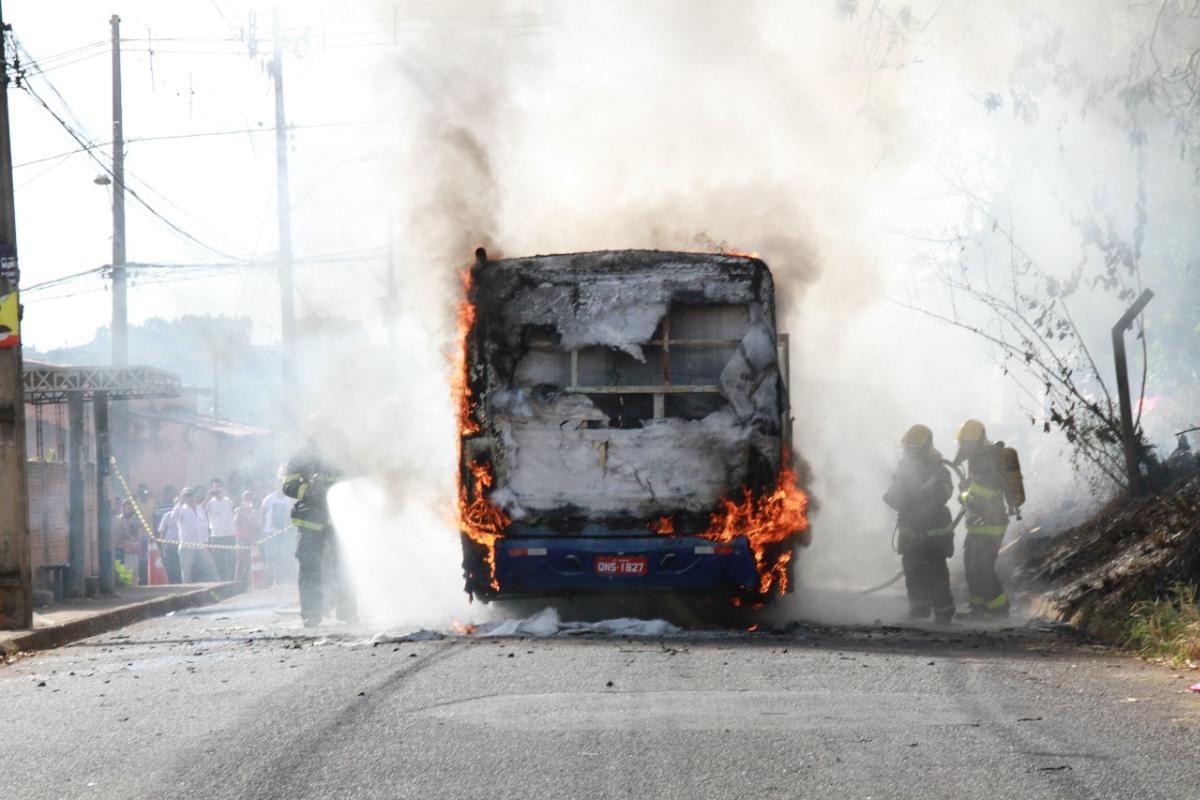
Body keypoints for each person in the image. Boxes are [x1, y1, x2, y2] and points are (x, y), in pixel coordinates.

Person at [883, 424, 956, 623]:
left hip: (934, 533)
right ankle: (918, 611)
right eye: (907, 447)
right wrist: (893, 498)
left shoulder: (939, 470)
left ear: (923, 448)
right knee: (912, 572)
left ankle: (944, 613)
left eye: (912, 448)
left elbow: (944, 493)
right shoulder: (903, 469)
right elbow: (894, 495)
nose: (908, 452)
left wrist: (921, 498)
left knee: (936, 573)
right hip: (910, 531)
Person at [283, 431, 355, 627]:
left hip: (339, 518)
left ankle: (347, 612)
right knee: (309, 567)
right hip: (310, 521)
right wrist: (309, 490)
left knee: (344, 566)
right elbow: (288, 486)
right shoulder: (301, 456)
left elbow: (353, 480)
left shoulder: (341, 453)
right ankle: (311, 614)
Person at [953, 419, 1022, 620]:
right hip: (978, 523)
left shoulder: (987, 459)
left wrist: (964, 494)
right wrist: (968, 491)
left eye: (965, 443)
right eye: (961, 442)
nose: (962, 447)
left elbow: (985, 492)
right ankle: (978, 609)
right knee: (972, 567)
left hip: (990, 523)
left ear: (975, 442)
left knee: (983, 568)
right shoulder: (977, 459)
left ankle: (999, 609)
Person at [171, 488, 219, 583]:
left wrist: (206, 540)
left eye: (191, 495)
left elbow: (204, 525)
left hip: (201, 545)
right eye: (187, 496)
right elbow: (174, 516)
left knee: (211, 567)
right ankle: (187, 593)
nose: (191, 498)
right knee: (186, 573)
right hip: (186, 547)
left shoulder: (199, 508)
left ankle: (218, 587)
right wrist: (181, 502)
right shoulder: (181, 509)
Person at [260, 473, 298, 585]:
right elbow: (262, 514)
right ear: (275, 486)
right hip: (270, 532)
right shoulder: (269, 499)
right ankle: (268, 581)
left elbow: (291, 514)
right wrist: (262, 529)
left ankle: (280, 580)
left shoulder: (288, 499)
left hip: (284, 532)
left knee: (282, 556)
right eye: (279, 484)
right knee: (270, 557)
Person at [204, 479, 237, 581]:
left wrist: (227, 493)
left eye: (219, 487)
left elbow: (237, 503)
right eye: (215, 487)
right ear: (212, 489)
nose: (217, 489)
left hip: (230, 534)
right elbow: (200, 511)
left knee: (232, 560)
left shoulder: (228, 500)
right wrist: (207, 498)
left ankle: (232, 580)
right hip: (216, 535)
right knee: (219, 561)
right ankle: (222, 581)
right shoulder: (209, 502)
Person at [233, 491, 260, 589]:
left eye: (249, 497)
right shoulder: (238, 510)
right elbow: (235, 522)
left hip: (251, 539)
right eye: (246, 498)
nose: (248, 499)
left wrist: (253, 525)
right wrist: (241, 510)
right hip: (241, 539)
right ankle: (236, 584)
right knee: (240, 562)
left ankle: (249, 585)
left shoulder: (254, 511)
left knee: (250, 563)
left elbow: (257, 524)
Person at [156, 486, 182, 584]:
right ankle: (171, 582)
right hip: (170, 545)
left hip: (182, 544)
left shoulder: (186, 514)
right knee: (170, 566)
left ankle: (180, 582)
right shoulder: (167, 515)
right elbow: (162, 531)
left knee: (179, 566)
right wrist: (162, 545)